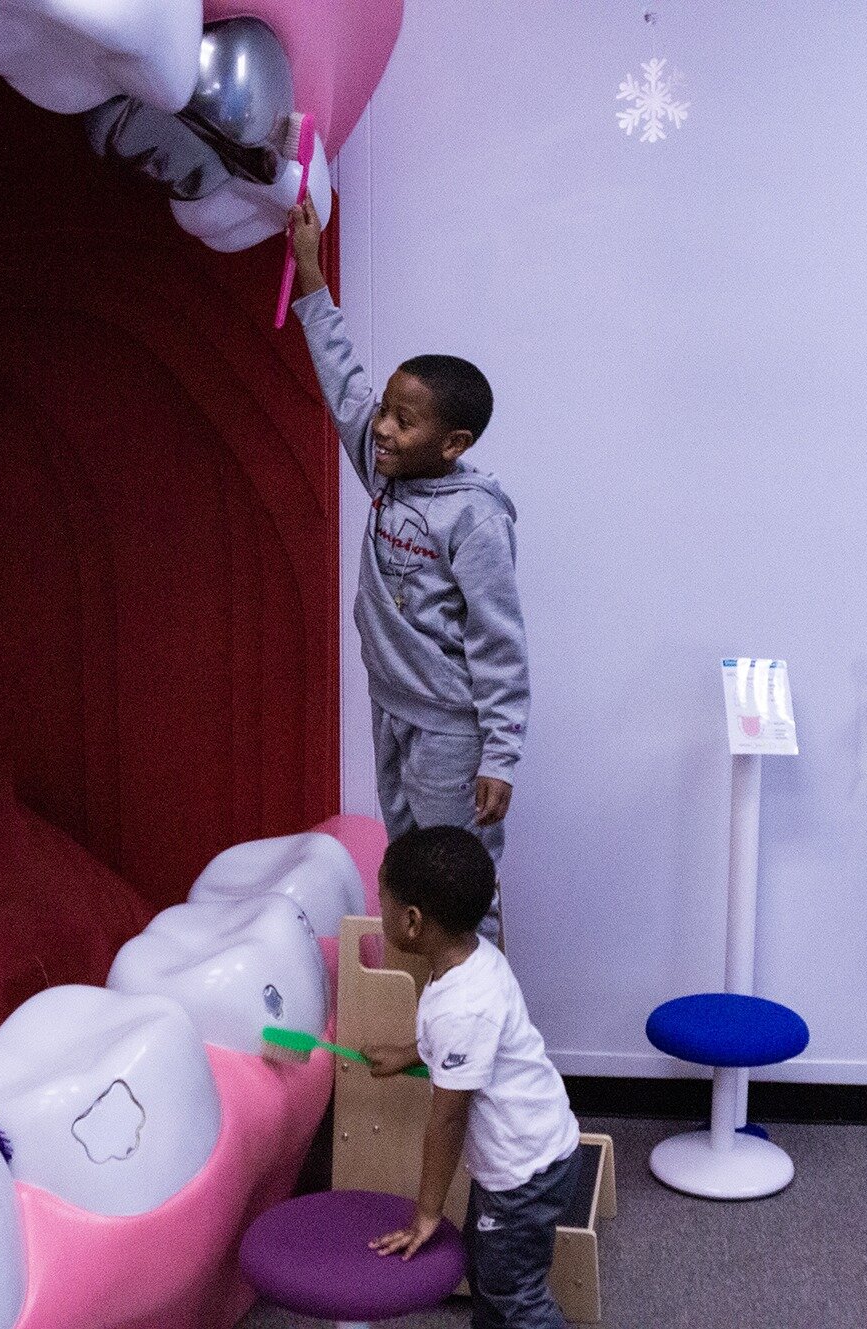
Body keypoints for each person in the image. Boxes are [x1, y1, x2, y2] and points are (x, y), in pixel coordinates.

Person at [287, 200, 529, 941]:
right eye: (386, 412)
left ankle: (479, 1010)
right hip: (392, 707)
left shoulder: (475, 518)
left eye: (404, 420)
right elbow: (342, 380)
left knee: (459, 888)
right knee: (410, 881)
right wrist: (310, 272)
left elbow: (500, 642)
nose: (383, 428)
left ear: (453, 443)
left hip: (451, 729)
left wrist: (500, 756)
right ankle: (421, 1005)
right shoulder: (386, 469)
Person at [363, 826, 580, 1329]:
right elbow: (466, 1048)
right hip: (527, 1153)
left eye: (383, 900)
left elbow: (447, 1121)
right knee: (486, 1272)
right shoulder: (473, 956)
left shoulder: (462, 1007)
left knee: (514, 1294)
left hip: (522, 1175)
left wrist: (427, 1213)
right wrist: (409, 1053)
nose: (380, 909)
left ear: (412, 921)